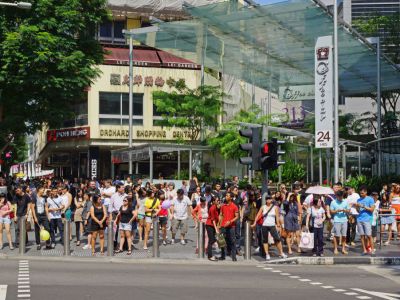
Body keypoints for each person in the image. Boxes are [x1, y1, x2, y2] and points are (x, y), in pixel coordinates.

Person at [252, 194, 287, 261]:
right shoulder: (263, 207)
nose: (268, 200)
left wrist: (278, 225)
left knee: (277, 239)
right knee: (265, 240)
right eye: (267, 199)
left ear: (271, 200)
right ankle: (267, 254)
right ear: (265, 200)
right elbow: (258, 215)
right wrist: (254, 222)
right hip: (264, 225)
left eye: (269, 199)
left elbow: (277, 217)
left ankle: (281, 253)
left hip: (272, 225)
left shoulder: (275, 207)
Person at [355, 186, 375, 256]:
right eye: (360, 193)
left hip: (367, 219)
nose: (361, 194)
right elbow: (358, 211)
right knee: (362, 236)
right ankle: (364, 250)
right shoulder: (358, 200)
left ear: (366, 192)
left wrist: (363, 206)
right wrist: (357, 206)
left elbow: (372, 210)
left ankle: (372, 250)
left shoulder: (370, 199)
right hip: (359, 219)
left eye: (362, 193)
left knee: (369, 235)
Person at [219, 191, 239, 261]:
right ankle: (222, 255)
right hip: (223, 226)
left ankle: (234, 256)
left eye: (227, 196)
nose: (226, 197)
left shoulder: (234, 206)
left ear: (231, 197)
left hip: (231, 226)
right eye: (226, 196)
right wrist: (219, 225)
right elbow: (221, 215)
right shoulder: (223, 206)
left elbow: (237, 216)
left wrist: (230, 221)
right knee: (221, 241)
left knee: (232, 241)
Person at [330, 190, 350, 255]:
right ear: (337, 196)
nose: (340, 198)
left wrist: (345, 210)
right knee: (336, 235)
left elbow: (349, 210)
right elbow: (331, 211)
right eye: (339, 197)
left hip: (344, 220)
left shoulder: (345, 201)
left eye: (341, 197)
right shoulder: (333, 202)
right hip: (337, 220)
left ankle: (343, 249)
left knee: (344, 235)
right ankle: (335, 248)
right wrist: (336, 211)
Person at [206, 196, 220, 261]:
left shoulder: (216, 207)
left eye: (219, 200)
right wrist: (216, 229)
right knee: (211, 240)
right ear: (213, 201)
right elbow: (213, 220)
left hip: (212, 225)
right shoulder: (212, 208)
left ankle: (210, 254)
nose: (218, 201)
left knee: (212, 240)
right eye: (217, 200)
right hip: (209, 225)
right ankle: (210, 256)